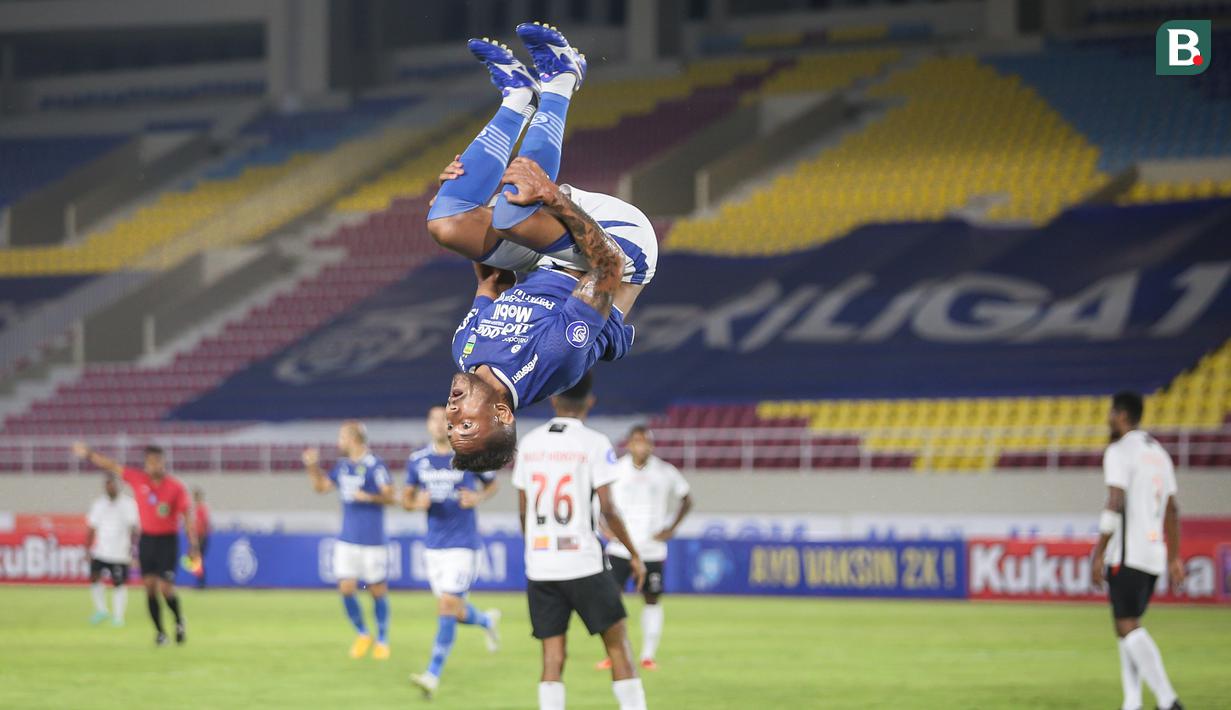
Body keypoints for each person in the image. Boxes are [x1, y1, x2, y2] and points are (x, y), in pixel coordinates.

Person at [429, 23, 658, 472]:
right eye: (466, 425)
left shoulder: (465, 350)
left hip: (550, 255)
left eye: (451, 427)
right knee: (512, 215)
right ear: (502, 414)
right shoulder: (554, 361)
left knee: (446, 224)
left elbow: (491, 277)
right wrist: (553, 197)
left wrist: (461, 196)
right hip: (621, 246)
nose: (452, 415)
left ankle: (517, 97)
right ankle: (561, 79)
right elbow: (607, 268)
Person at [512, 373, 648, 710]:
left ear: (553, 399)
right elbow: (609, 508)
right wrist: (633, 553)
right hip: (583, 561)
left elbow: (524, 510)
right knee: (618, 646)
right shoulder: (594, 443)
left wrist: (535, 548)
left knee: (552, 657)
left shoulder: (529, 443)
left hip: (541, 566)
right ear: (590, 401)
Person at [1090, 391, 1185, 710]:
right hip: (1154, 553)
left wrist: (1099, 551)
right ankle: (1132, 702)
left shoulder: (1119, 451)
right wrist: (1174, 556)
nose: (1108, 418)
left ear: (1121, 415)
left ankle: (1168, 700)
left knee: (1128, 625)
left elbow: (1115, 500)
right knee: (1124, 626)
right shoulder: (1159, 453)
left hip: (1128, 553)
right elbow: (1172, 509)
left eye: (1111, 412)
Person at [404, 405, 503, 698]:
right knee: (456, 612)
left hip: (463, 544)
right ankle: (486, 621)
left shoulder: (469, 455)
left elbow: (493, 484)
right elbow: (405, 499)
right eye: (434, 419)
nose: (439, 424)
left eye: (444, 420)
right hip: (434, 547)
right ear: (428, 425)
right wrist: (416, 504)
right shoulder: (418, 461)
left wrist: (478, 497)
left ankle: (432, 675)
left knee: (447, 606)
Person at [73, 442, 197, 645]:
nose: (153, 466)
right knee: (149, 587)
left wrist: (193, 545)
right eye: (150, 462)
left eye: (157, 462)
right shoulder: (138, 479)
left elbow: (188, 516)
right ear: (146, 463)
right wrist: (88, 454)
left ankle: (178, 620)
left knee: (165, 588)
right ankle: (160, 632)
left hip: (167, 541)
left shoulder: (175, 487)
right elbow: (112, 466)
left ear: (163, 463)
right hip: (147, 539)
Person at [598, 425, 692, 671]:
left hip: (651, 549)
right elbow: (596, 498)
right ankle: (614, 653)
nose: (642, 446)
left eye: (646, 441)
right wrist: (603, 528)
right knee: (611, 598)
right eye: (638, 441)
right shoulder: (615, 469)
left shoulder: (665, 471)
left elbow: (687, 499)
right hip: (620, 548)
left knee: (651, 599)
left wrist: (671, 528)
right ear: (629, 444)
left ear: (652, 445)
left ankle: (648, 655)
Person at [303, 420, 396, 660]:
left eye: (342, 437)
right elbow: (322, 487)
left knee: (377, 590)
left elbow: (391, 497)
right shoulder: (343, 466)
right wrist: (312, 467)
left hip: (373, 540)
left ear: (354, 439)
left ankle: (382, 639)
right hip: (347, 539)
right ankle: (363, 634)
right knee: (345, 587)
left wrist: (369, 497)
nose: (339, 442)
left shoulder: (375, 465)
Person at [85, 475, 139, 626]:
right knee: (94, 577)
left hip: (120, 552)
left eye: (113, 485)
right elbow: (91, 527)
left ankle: (118, 617)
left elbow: (134, 529)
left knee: (119, 583)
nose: (110, 488)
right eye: (108, 485)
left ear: (118, 486)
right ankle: (101, 610)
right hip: (101, 550)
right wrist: (87, 549)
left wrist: (133, 550)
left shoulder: (128, 504)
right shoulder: (99, 504)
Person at [191, 488, 211, 589]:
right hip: (197, 537)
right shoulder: (196, 509)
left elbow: (204, 524)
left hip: (201, 537)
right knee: (196, 560)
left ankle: (201, 582)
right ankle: (199, 581)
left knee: (199, 559)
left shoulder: (202, 509)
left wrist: (201, 538)